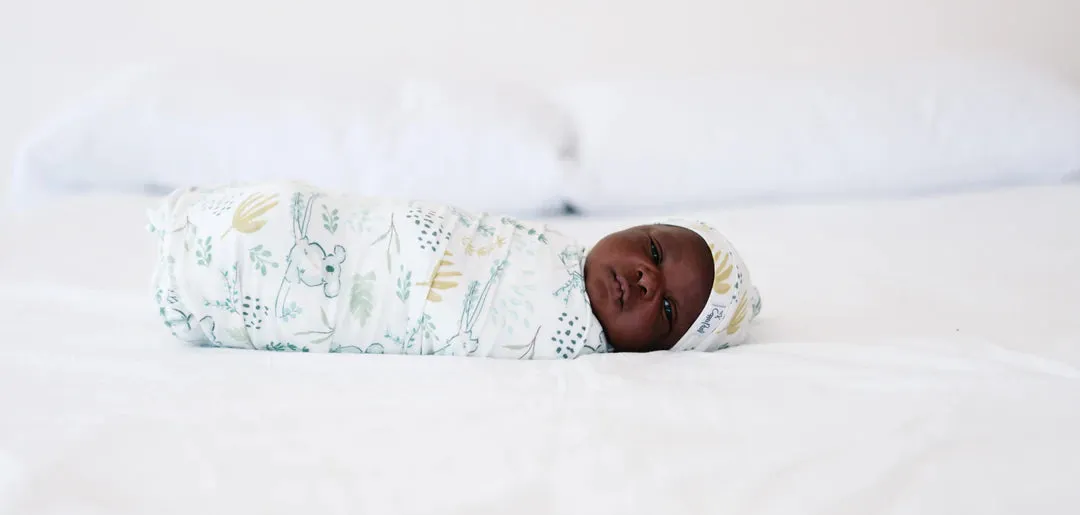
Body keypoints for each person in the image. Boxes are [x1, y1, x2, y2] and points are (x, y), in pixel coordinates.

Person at [149, 182, 761, 358]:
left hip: (357, 297)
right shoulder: (554, 247)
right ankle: (211, 228)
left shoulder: (567, 340)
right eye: (654, 251)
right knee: (296, 219)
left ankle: (211, 282)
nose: (649, 282)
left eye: (671, 312)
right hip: (360, 235)